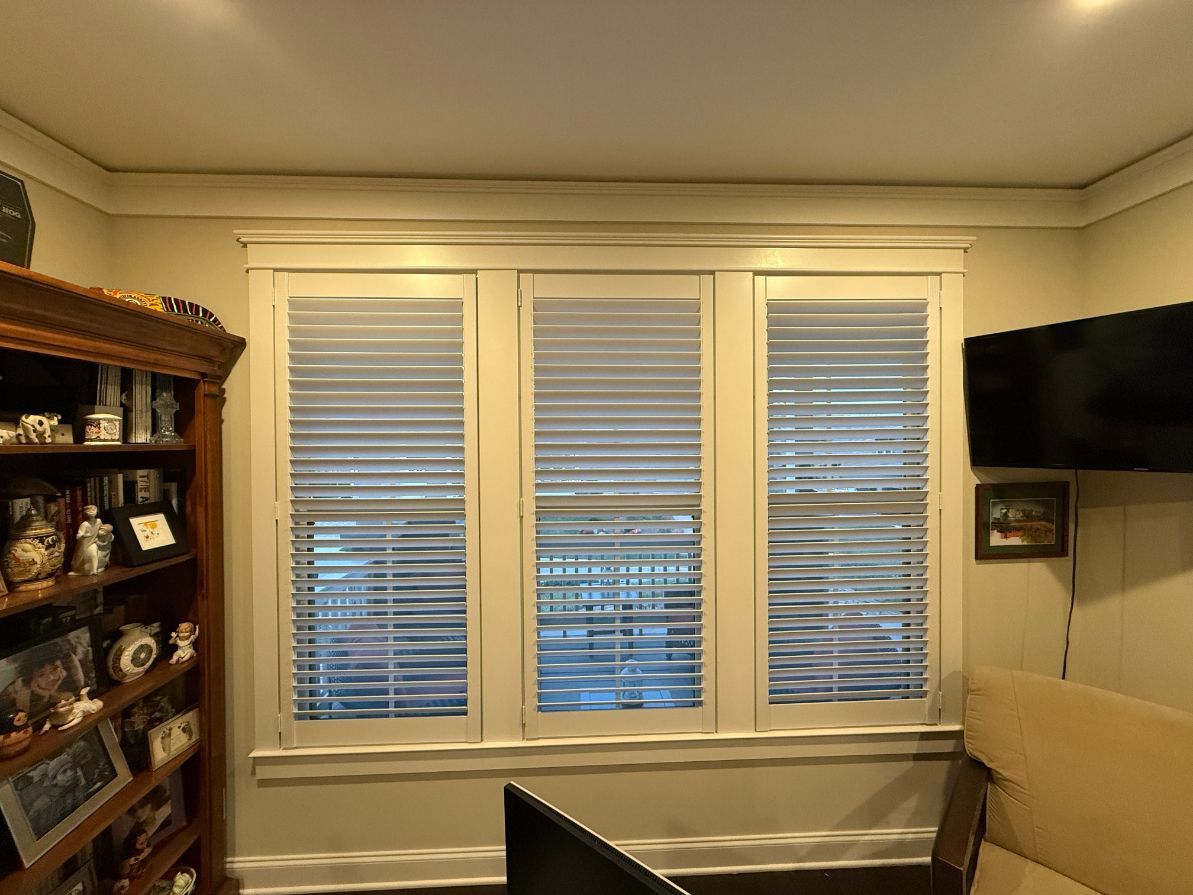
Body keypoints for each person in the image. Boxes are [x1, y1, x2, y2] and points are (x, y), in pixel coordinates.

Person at [0, 640, 83, 726]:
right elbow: (24, 722)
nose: (50, 678)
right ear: (32, 677)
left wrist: (52, 693)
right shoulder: (20, 689)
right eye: (41, 675)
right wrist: (46, 696)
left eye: (54, 669)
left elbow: (80, 690)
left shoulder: (69, 672)